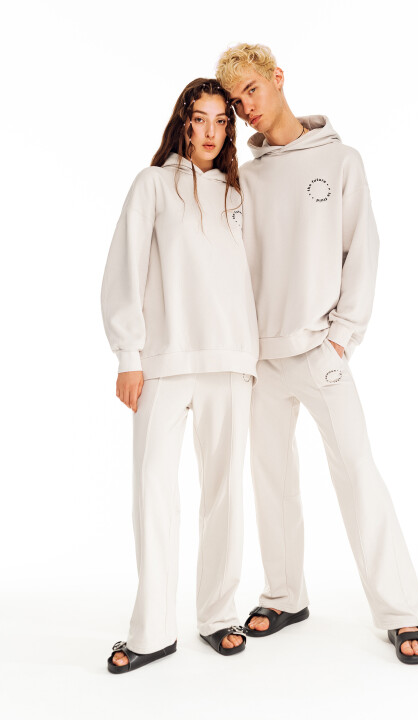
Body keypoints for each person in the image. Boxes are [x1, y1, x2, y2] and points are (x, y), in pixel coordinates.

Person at [215, 44, 418, 665]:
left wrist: (343, 336)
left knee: (357, 472)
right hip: (260, 358)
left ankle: (402, 611)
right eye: (235, 102)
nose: (245, 108)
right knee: (271, 479)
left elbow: (362, 250)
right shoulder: (246, 178)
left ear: (278, 79)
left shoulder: (341, 161)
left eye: (252, 90)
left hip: (321, 350)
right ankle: (284, 596)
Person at [100, 78, 259, 673]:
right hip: (164, 362)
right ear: (184, 123)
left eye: (222, 120)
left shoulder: (239, 193)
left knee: (224, 495)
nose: (211, 131)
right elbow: (124, 268)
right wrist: (128, 355)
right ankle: (152, 630)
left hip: (231, 361)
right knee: (153, 495)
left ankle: (218, 615)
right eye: (201, 119)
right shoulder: (153, 185)